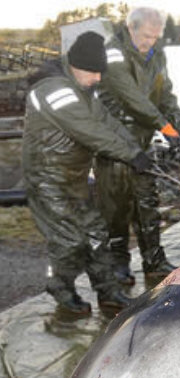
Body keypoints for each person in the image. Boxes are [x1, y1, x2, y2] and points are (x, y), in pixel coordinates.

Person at [23, 31, 153, 314]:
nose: (98, 78)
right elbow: (91, 132)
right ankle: (60, 286)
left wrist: (137, 150)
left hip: (75, 179)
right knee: (69, 240)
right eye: (93, 72)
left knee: (96, 233)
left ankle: (108, 292)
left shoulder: (82, 91)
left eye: (100, 72)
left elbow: (108, 122)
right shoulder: (53, 90)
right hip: (47, 181)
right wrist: (130, 155)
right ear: (75, 65)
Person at [96, 7, 180, 286]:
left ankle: (153, 260)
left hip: (142, 138)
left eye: (155, 37)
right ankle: (118, 263)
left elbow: (165, 93)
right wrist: (164, 127)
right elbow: (130, 96)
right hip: (113, 139)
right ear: (130, 28)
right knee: (116, 206)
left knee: (147, 201)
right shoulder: (112, 51)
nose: (150, 42)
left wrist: (179, 126)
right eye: (145, 37)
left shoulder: (157, 53)